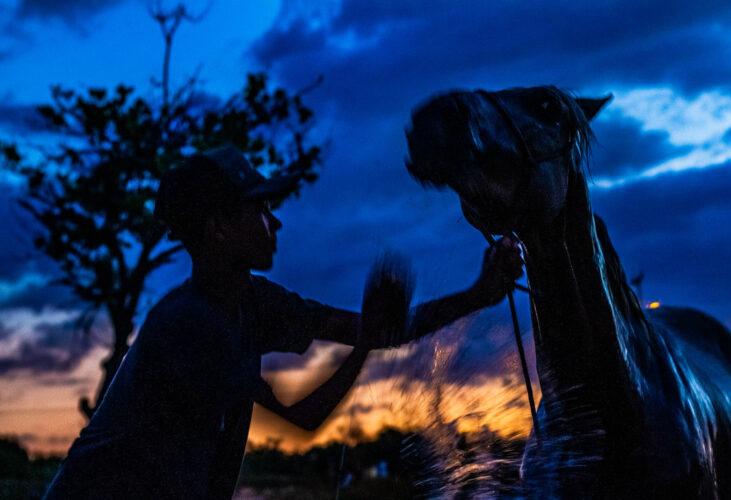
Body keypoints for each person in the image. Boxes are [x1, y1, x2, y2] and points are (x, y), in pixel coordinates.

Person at [44, 145, 523, 499]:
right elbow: (304, 416)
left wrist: (479, 294)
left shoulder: (254, 300)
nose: (275, 224)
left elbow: (369, 331)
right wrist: (366, 344)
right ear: (219, 229)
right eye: (261, 209)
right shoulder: (187, 324)